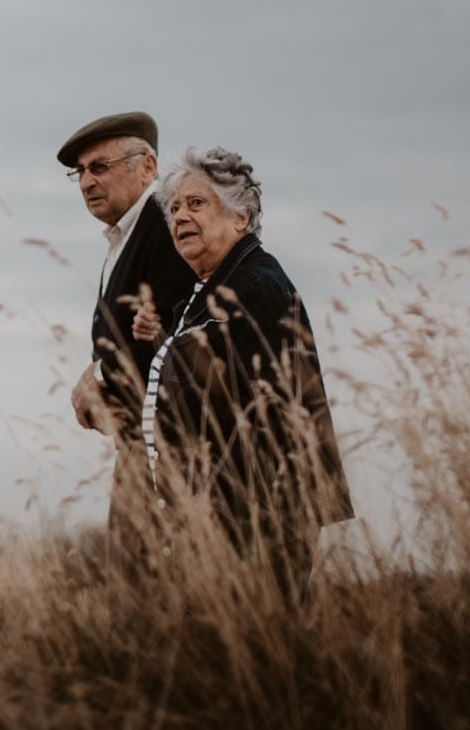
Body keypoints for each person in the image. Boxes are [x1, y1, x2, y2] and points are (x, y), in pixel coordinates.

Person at [127, 146, 352, 593]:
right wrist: (165, 334)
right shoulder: (215, 287)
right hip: (222, 517)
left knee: (249, 653)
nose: (180, 217)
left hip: (258, 517)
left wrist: (173, 344)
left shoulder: (258, 284)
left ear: (241, 217)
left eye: (196, 203)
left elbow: (257, 399)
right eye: (174, 209)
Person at [56, 112, 196, 535]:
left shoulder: (167, 225)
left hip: (172, 453)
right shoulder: (126, 232)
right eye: (79, 172)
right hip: (141, 444)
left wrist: (97, 375)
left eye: (100, 167)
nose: (86, 183)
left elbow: (175, 335)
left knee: (145, 590)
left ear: (148, 166)